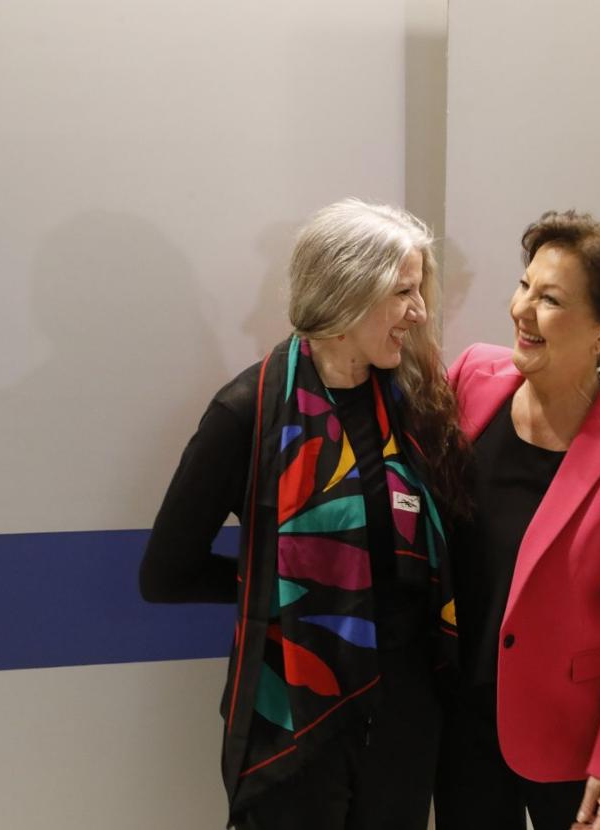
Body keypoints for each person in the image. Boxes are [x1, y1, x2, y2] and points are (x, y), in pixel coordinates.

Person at [139, 198, 468, 829]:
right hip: (295, 719)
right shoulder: (247, 414)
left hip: (403, 718)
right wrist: (277, 590)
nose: (420, 312)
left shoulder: (414, 402)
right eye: (403, 292)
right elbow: (165, 575)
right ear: (348, 294)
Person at [434, 210, 600, 830]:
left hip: (572, 748)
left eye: (549, 300)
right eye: (525, 286)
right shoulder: (471, 377)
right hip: (460, 727)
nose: (522, 309)